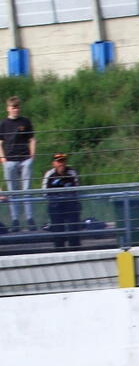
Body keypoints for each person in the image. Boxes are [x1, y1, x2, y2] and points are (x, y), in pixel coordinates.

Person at [1, 95, 38, 232]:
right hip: (10, 159)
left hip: (25, 158)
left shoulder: (25, 121)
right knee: (13, 191)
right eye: (13, 107)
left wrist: (32, 155)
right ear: (8, 108)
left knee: (27, 190)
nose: (15, 109)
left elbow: (32, 139)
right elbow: (0, 142)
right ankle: (15, 220)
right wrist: (3, 158)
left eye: (17, 107)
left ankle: (30, 218)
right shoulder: (3, 124)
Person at [42, 153, 81, 250]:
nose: (61, 164)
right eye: (59, 161)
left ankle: (75, 249)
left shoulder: (72, 172)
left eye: (63, 161)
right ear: (54, 163)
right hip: (56, 206)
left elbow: (77, 189)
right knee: (58, 230)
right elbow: (44, 192)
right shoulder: (49, 174)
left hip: (70, 205)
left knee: (73, 229)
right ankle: (59, 249)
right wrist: (58, 197)